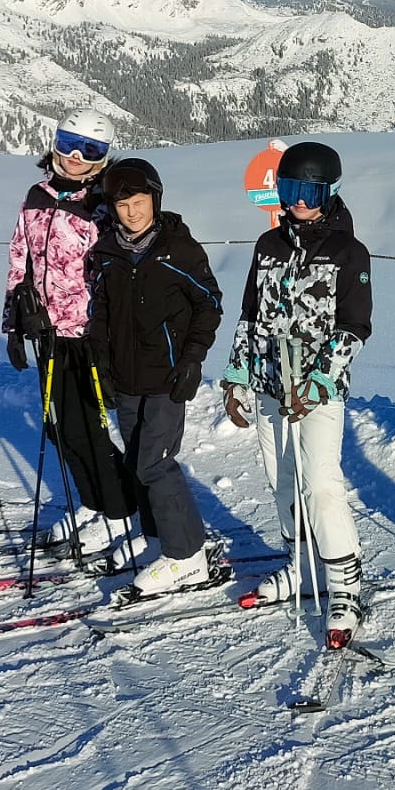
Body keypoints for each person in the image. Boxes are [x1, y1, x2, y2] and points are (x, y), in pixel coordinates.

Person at [220, 141, 375, 645]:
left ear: (331, 192)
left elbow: (355, 326)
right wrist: (237, 377)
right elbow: (250, 315)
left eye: (311, 191)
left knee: (321, 484)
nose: (300, 201)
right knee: (282, 481)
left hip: (317, 392)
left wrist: (321, 380)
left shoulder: (349, 252)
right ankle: (301, 565)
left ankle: (344, 584)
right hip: (271, 384)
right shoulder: (268, 246)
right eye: (289, 189)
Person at [0, 109, 143, 563]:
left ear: (104, 156)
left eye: (91, 149)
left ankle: (120, 512)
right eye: (68, 144)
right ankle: (94, 503)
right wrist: (14, 323)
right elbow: (20, 259)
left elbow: (119, 272)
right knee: (60, 428)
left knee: (90, 431)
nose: (77, 157)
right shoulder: (36, 196)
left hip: (88, 336)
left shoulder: (103, 204)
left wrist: (109, 334)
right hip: (46, 332)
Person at [85, 157, 226, 597]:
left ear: (155, 199)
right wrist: (100, 364)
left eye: (139, 201)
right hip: (125, 377)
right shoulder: (107, 253)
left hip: (168, 376)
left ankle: (187, 557)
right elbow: (100, 312)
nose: (132, 212)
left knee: (155, 463)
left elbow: (209, 304)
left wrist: (192, 359)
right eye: (122, 204)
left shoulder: (177, 249)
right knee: (137, 462)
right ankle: (158, 538)